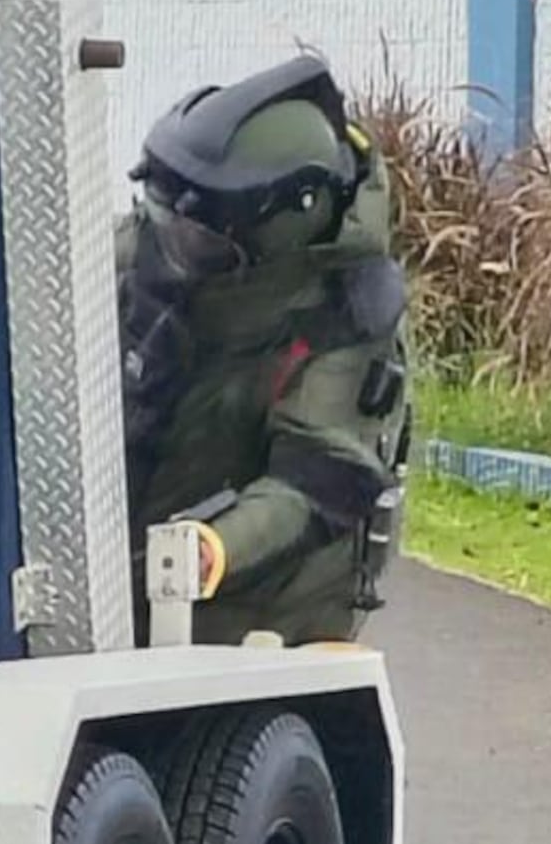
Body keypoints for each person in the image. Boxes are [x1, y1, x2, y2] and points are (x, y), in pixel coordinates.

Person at [118, 52, 410, 646]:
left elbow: (314, 481)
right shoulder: (155, 251)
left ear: (279, 231)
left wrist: (213, 550)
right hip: (124, 585)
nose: (173, 250)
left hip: (266, 617)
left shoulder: (348, 317)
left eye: (196, 241)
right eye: (165, 221)